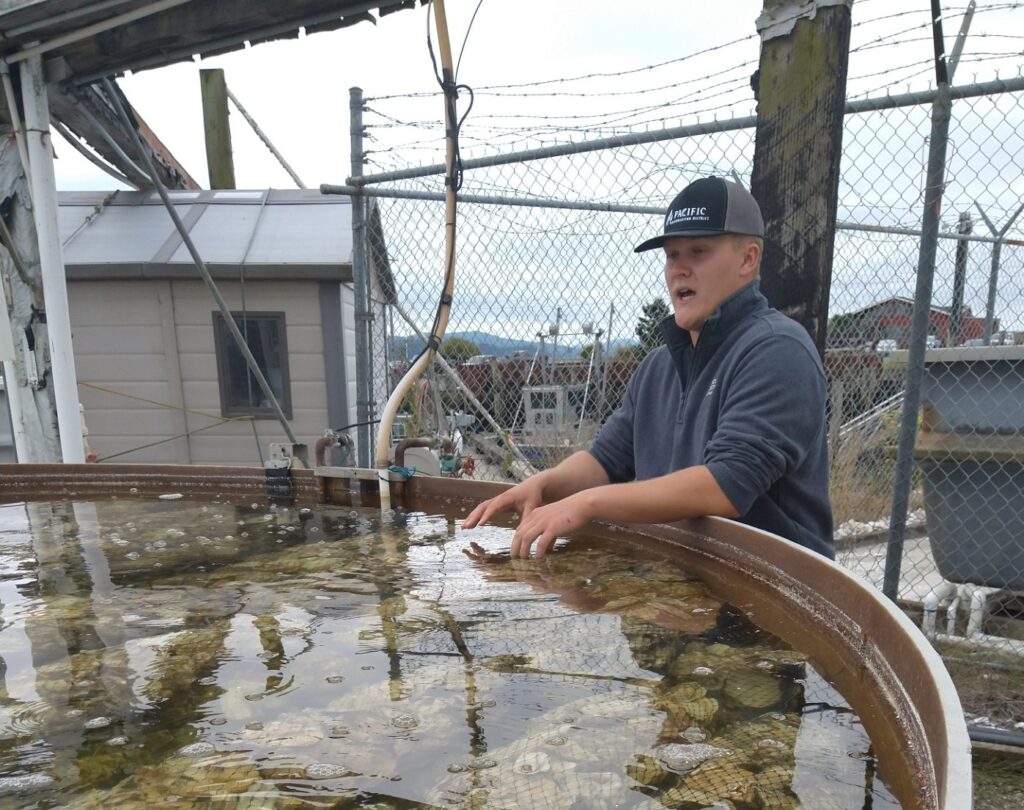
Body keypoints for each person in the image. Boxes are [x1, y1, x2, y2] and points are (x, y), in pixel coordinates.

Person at [463, 176, 833, 560]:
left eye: (699, 251)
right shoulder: (659, 366)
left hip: (772, 588)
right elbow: (605, 461)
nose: (679, 269)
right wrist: (546, 484)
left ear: (748, 259)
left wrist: (587, 504)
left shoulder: (776, 349)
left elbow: (726, 484)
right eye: (672, 255)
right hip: (681, 580)